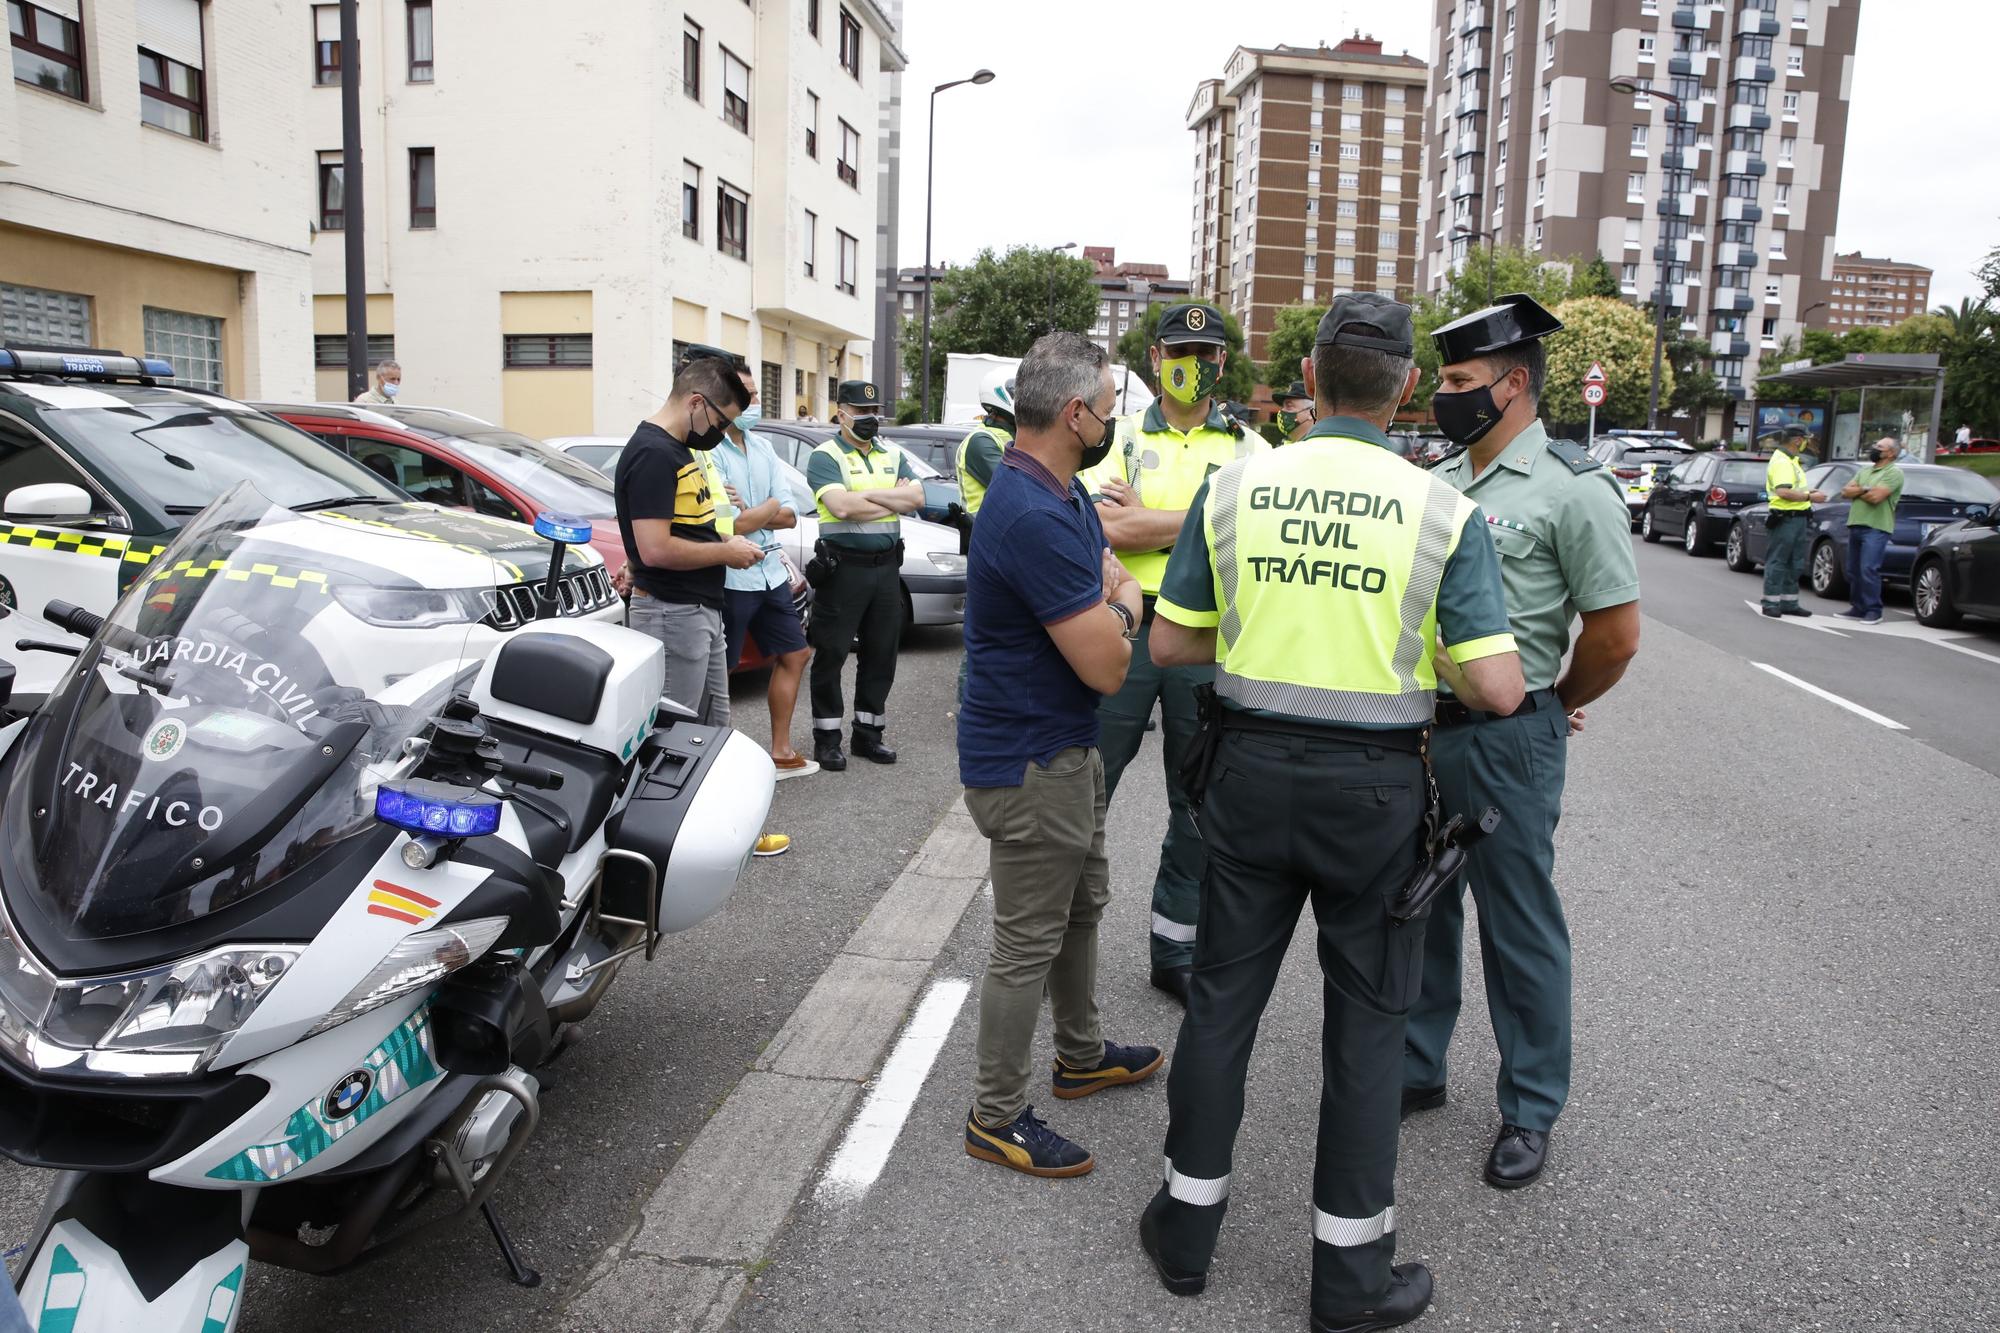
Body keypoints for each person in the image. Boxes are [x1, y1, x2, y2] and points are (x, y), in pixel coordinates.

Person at [1135, 294, 1525, 1331]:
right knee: (1365, 1032)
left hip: (1246, 780)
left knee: (1221, 1008)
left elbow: (1170, 647)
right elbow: (1496, 689)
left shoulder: (1233, 484)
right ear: (1402, 387)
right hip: (1375, 799)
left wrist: (1267, 639)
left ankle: (1183, 1232)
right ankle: (1348, 1279)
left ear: (1308, 379)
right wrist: (1420, 658)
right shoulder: (1442, 510)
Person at [1401, 293, 1642, 1191]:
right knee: (1420, 903)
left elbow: (1615, 635)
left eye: (1461, 380)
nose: (1444, 394)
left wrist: (1548, 704)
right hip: (1421, 725)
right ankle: (1419, 1067)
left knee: (1518, 925)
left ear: (1512, 386)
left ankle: (1529, 1105)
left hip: (1508, 738)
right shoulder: (1444, 479)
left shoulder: (1573, 491)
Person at [958, 332, 1161, 1178]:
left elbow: (1112, 565)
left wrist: (1118, 592)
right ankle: (995, 1116)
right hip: (1031, 762)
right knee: (1026, 940)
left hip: (1063, 753)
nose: (1112, 421)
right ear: (1074, 413)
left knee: (1082, 907)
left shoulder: (1062, 491)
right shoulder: (1031, 511)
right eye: (1110, 409)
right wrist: (1126, 608)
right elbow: (1111, 665)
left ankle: (1079, 1054)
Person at [1082, 301, 1265, 1005]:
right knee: (1087, 787)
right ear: (1155, 359)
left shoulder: (1253, 447)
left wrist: (1148, 522)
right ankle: (1063, 944)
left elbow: (1251, 533)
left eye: (1207, 353)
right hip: (1125, 626)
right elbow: (1103, 530)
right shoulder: (1117, 436)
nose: (1193, 365)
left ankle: (1175, 950)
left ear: (1222, 361)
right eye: (1178, 352)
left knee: (1198, 800)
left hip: (1208, 638)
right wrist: (1208, 512)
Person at [613, 352, 789, 855]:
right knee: (672, 734)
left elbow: (661, 538)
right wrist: (726, 551)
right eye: (720, 420)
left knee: (712, 732)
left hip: (697, 611)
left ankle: (718, 837)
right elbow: (655, 548)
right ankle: (654, 845)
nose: (720, 431)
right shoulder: (653, 452)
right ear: (696, 402)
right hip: (671, 613)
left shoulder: (680, 449)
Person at [806, 380, 925, 771]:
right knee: (832, 653)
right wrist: (891, 501)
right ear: (841, 414)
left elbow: (917, 499)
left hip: (887, 570)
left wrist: (866, 501)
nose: (870, 419)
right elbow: (841, 507)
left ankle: (868, 736)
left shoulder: (892, 453)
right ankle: (827, 740)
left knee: (881, 656)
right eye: (860, 412)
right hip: (843, 571)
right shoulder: (825, 456)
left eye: (874, 412)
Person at [715, 362, 817, 776]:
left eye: (757, 395)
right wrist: (770, 507)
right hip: (731, 576)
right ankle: (714, 759)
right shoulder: (707, 451)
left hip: (771, 572)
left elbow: (791, 514)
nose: (755, 403)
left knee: (796, 653)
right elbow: (730, 525)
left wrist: (763, 510)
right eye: (749, 396)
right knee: (719, 672)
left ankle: (780, 749)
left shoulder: (761, 447)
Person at [1758, 428, 1827, 619]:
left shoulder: (1791, 460)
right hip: (1785, 518)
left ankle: (1789, 602)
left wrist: (1808, 493)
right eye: (1806, 440)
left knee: (1794, 562)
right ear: (1797, 440)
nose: (1808, 443)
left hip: (1796, 517)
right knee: (1779, 561)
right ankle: (1771, 603)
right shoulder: (1782, 462)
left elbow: (1792, 488)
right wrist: (1810, 496)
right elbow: (1783, 492)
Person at [1839, 436, 1904, 624]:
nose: (1874, 448)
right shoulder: (1865, 470)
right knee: (1853, 569)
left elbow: (1876, 497)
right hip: (1856, 523)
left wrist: (1858, 491)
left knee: (1868, 568)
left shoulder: (1894, 472)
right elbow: (1844, 491)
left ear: (1891, 453)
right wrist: (1866, 488)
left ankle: (1873, 610)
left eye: (1880, 447)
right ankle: (1858, 607)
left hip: (1876, 527)